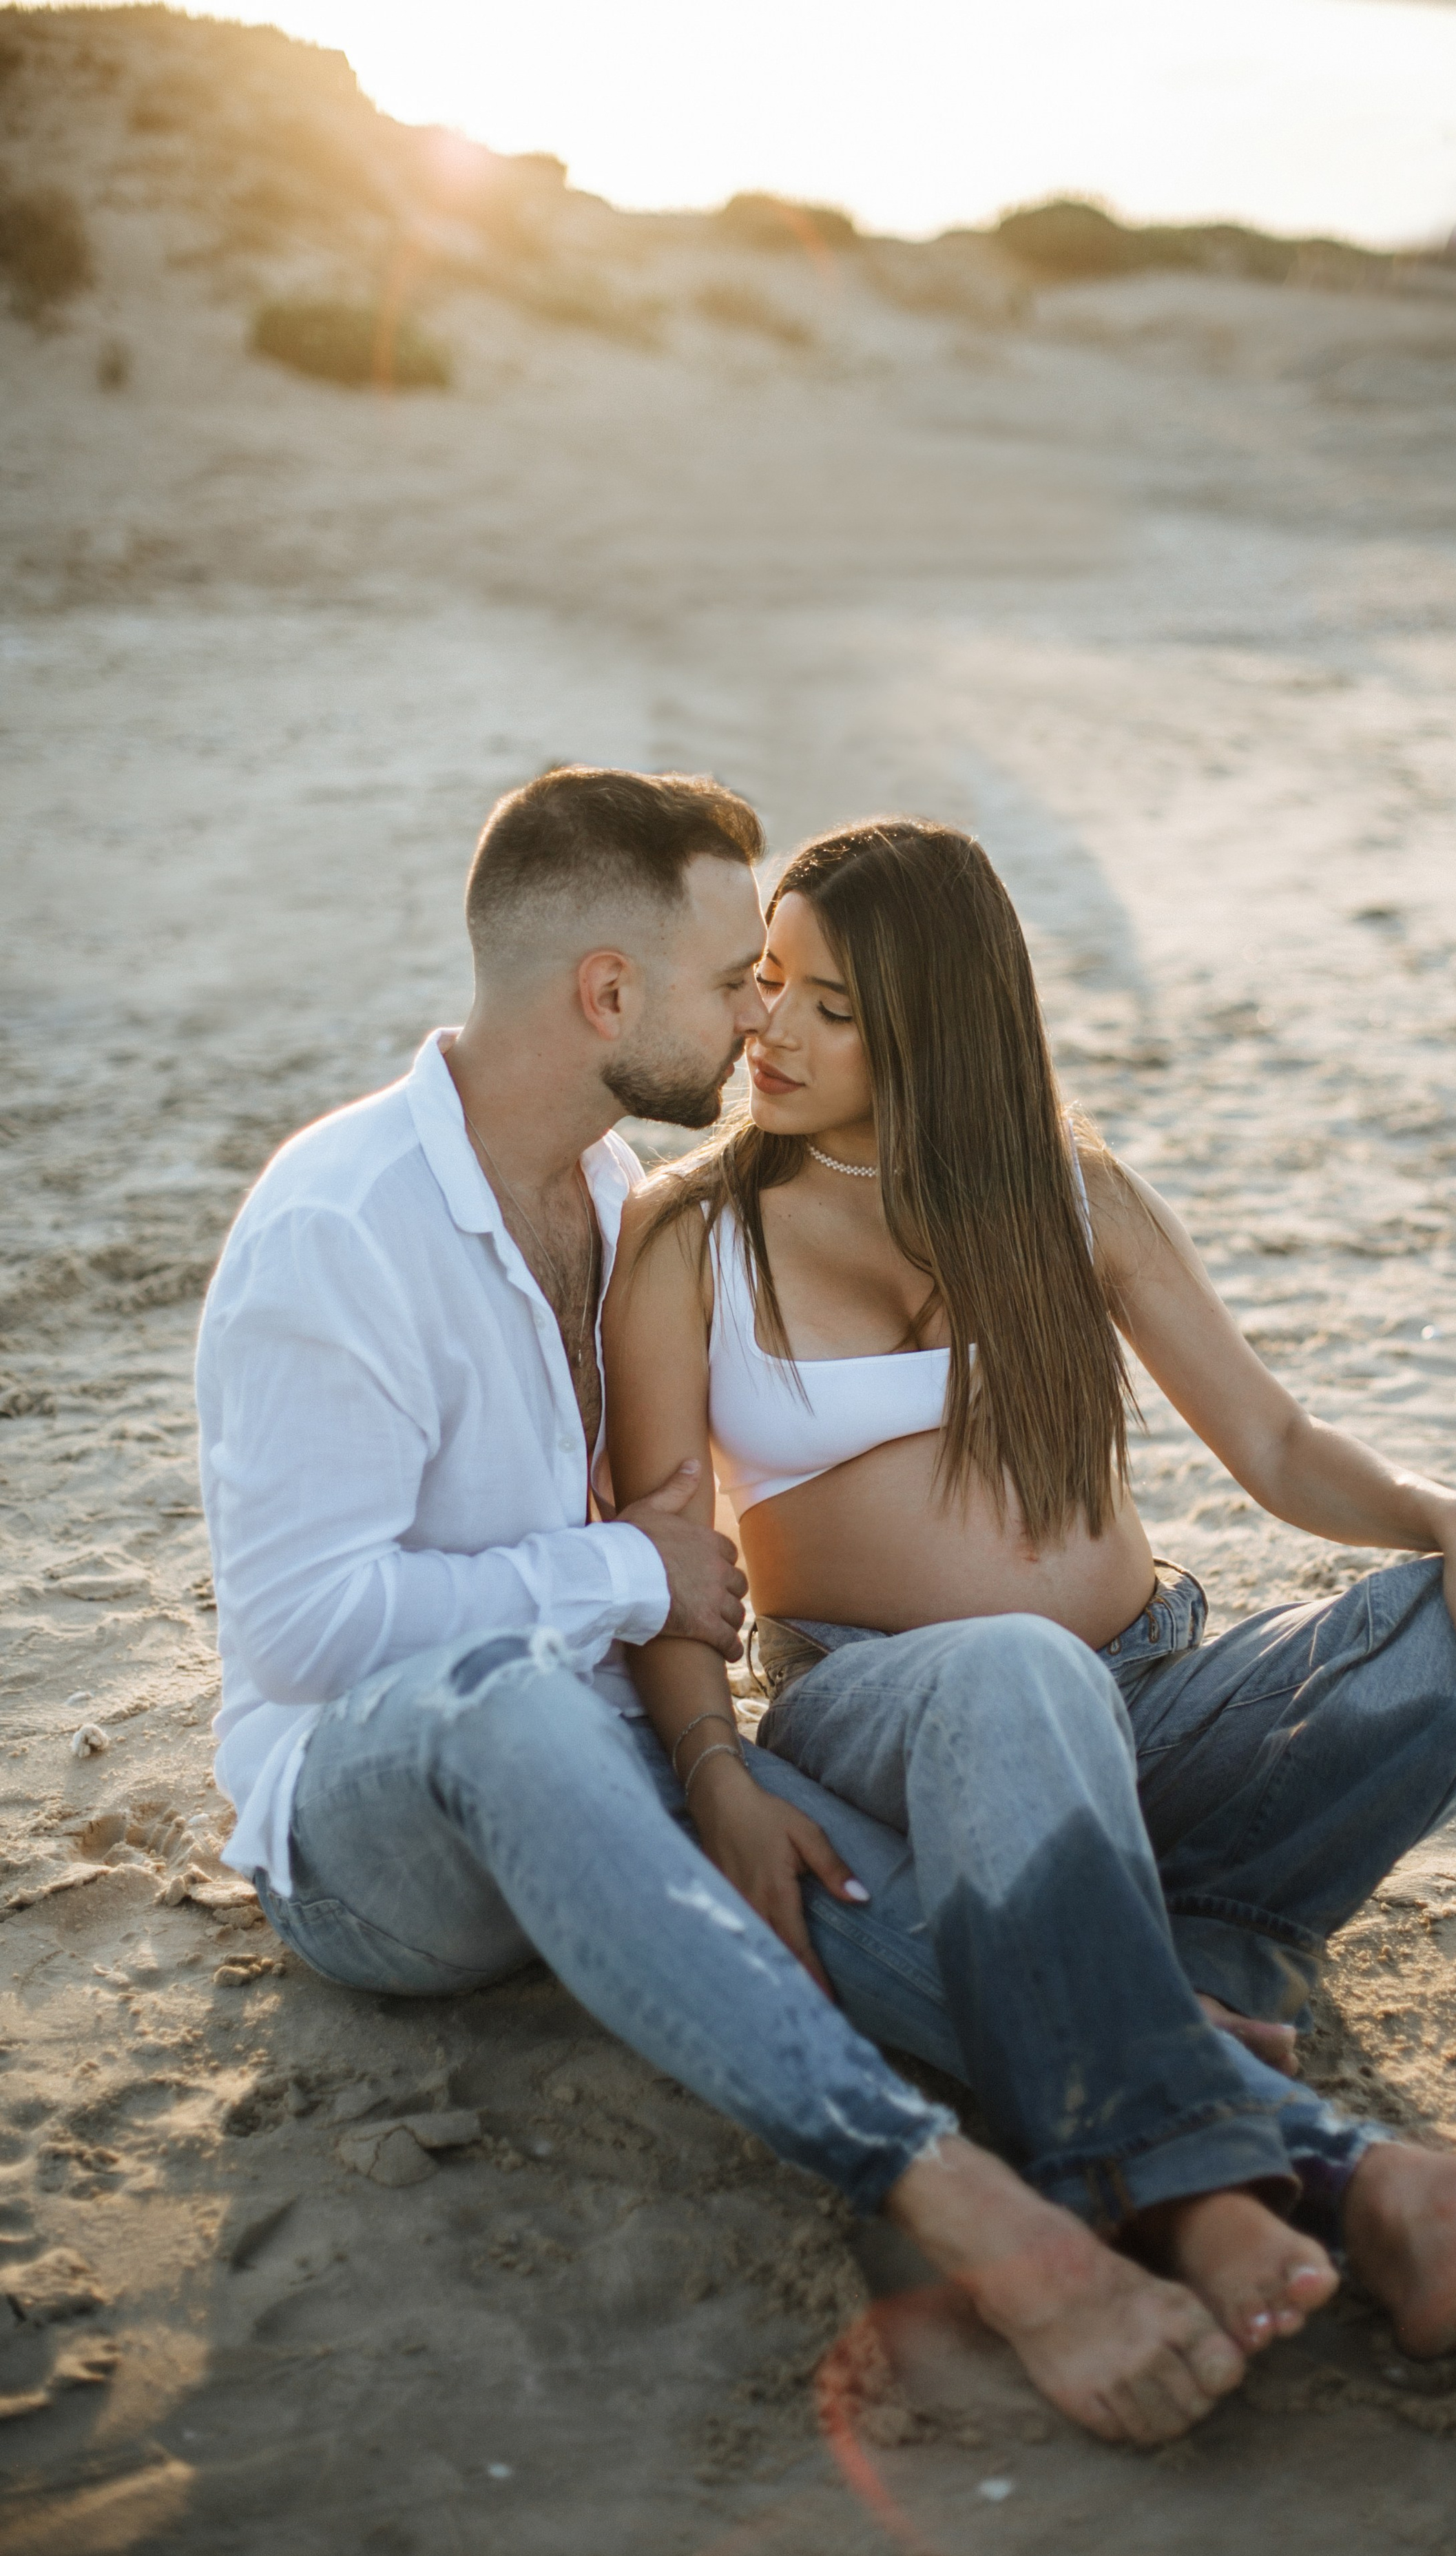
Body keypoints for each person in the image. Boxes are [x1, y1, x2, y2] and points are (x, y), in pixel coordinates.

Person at [200, 765, 1328, 2453]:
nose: (758, 1023)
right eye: (739, 981)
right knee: (519, 1700)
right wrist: (625, 1574)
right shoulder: (339, 1229)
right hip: (380, 1839)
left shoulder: (601, 1193)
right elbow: (301, 1634)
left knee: (821, 1847)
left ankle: (1314, 2175)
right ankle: (962, 2201)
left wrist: (711, 1752)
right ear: (606, 994)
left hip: (607, 1770)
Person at [602, 816, 1456, 2380]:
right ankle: (1319, 2163)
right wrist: (714, 1767)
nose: (767, 1027)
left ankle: (1174, 1941)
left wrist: (1454, 1515)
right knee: (1011, 1673)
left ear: (938, 1023)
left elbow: (1270, 1442)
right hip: (885, 1711)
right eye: (766, 981)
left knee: (1447, 1641)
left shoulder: (1070, 1192)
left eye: (830, 1006)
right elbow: (658, 1544)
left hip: (1151, 1688)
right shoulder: (692, 1230)